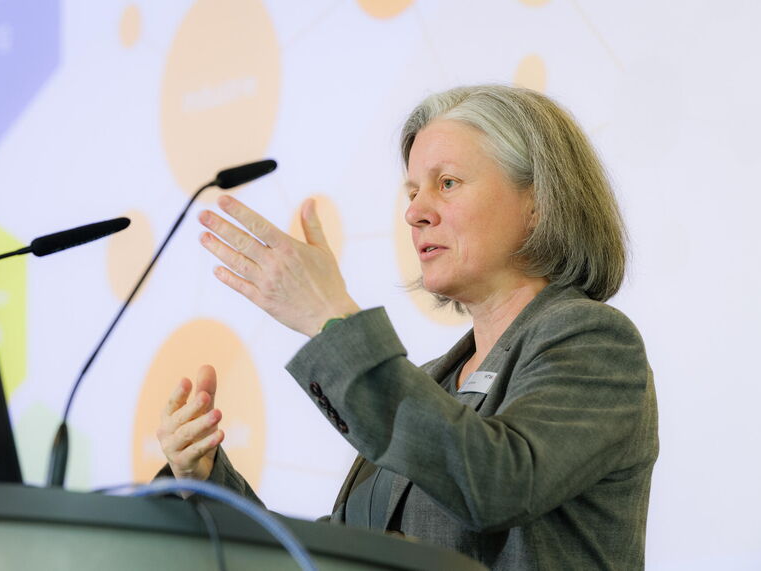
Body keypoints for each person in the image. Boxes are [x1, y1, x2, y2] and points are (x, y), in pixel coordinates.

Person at [156, 85, 659, 569]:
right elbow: (332, 557)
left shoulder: (594, 342)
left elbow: (497, 485)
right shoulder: (427, 385)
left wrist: (329, 319)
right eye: (413, 191)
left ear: (538, 204)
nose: (415, 212)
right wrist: (203, 479)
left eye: (448, 183)